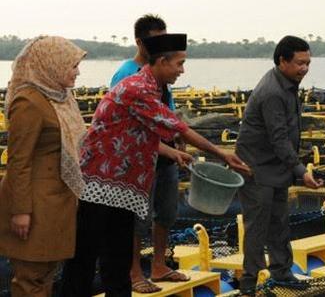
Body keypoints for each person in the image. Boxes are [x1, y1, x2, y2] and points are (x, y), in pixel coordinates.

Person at [61, 34, 251, 297]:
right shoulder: (137, 87)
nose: (182, 71)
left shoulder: (153, 88)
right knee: (84, 256)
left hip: (123, 185)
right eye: (179, 64)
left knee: (117, 259)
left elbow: (139, 131)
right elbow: (178, 126)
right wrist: (222, 153)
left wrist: (172, 152)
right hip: (98, 183)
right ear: (162, 61)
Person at [235, 35, 323, 296]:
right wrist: (301, 171)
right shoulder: (273, 91)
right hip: (256, 167)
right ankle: (249, 284)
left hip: (276, 166)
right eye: (299, 63)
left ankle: (282, 272)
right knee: (257, 226)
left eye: (308, 63)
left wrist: (293, 167)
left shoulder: (287, 82)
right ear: (282, 61)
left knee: (279, 221)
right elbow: (279, 138)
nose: (305, 69)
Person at [0, 36, 87, 297]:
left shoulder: (60, 98)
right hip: (35, 205)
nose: (77, 72)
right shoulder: (29, 102)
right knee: (30, 277)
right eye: (72, 66)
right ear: (51, 64)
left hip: (58, 201)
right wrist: (20, 211)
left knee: (47, 273)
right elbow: (19, 161)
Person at [110, 14, 186, 293]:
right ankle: (134, 273)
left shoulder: (163, 70)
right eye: (156, 40)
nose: (161, 45)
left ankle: (158, 264)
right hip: (138, 157)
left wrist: (177, 138)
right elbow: (127, 125)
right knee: (137, 216)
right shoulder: (127, 74)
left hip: (165, 155)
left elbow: (167, 111)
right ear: (140, 42)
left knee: (166, 211)